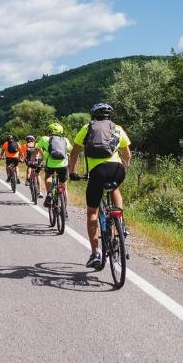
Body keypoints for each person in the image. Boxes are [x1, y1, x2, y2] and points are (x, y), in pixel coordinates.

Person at [68, 103, 132, 268]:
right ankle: (120, 222)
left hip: (97, 172)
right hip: (117, 170)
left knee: (91, 213)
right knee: (114, 188)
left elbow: (74, 153)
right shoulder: (117, 128)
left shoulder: (87, 127)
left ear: (93, 116)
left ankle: (96, 253)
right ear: (109, 116)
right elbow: (127, 155)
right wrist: (124, 170)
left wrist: (72, 173)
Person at [35, 123, 72, 207]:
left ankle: (49, 194)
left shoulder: (44, 139)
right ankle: (64, 210)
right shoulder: (65, 140)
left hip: (50, 165)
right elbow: (71, 150)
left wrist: (32, 160)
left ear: (50, 131)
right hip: (63, 165)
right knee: (63, 185)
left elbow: (36, 151)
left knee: (48, 177)